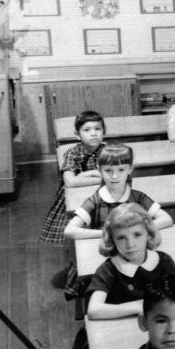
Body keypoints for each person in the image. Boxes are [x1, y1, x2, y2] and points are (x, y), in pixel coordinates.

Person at [58, 204, 175, 349]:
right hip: (114, 338)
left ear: (149, 234)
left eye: (137, 235)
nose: (130, 244)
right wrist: (138, 306)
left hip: (149, 333)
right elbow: (94, 310)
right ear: (111, 240)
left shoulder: (163, 262)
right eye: (121, 238)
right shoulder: (110, 269)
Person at [39, 110, 105, 287]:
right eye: (87, 130)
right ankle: (79, 271)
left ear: (104, 132)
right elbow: (70, 181)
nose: (93, 133)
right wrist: (95, 173)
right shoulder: (73, 153)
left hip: (100, 198)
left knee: (98, 231)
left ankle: (99, 264)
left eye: (98, 129)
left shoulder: (107, 151)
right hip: (75, 200)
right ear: (77, 135)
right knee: (79, 235)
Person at [63, 143, 173, 241]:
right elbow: (69, 231)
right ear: (99, 169)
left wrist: (135, 230)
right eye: (108, 170)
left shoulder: (138, 197)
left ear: (130, 169)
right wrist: (107, 233)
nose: (115, 176)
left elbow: (167, 219)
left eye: (121, 170)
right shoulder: (95, 200)